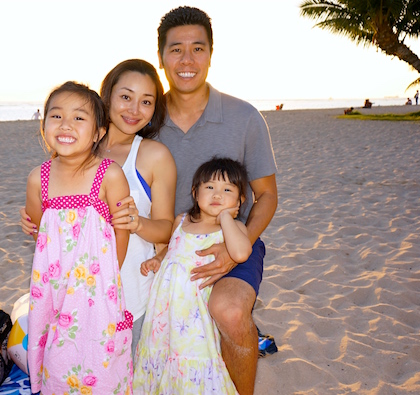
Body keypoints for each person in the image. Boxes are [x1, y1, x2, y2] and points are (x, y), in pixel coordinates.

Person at [151, 7, 278, 394]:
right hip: (166, 241)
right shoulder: (144, 117)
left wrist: (234, 248)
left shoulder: (244, 117)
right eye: (176, 50)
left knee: (229, 309)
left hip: (231, 238)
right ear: (161, 57)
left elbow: (267, 195)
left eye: (197, 48)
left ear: (210, 53)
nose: (187, 60)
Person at [20, 59, 177, 363]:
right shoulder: (75, 145)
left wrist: (136, 223)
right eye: (126, 96)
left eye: (146, 101)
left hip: (127, 288)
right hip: (68, 294)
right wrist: (34, 217)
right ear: (107, 96)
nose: (134, 109)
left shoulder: (154, 155)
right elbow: (52, 211)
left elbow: (166, 228)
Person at [24, 81, 133, 394]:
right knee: (57, 356)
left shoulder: (109, 174)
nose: (66, 125)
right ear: (43, 125)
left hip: (97, 289)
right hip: (53, 289)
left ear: (98, 132)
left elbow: (120, 231)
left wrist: (108, 280)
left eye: (79, 118)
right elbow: (39, 232)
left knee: (100, 358)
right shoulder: (38, 178)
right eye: (56, 116)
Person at [134, 157, 252, 394]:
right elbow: (172, 248)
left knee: (193, 353)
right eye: (210, 187)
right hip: (166, 308)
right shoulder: (182, 220)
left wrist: (227, 218)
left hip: (194, 310)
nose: (217, 195)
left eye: (227, 190)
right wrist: (158, 259)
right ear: (195, 192)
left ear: (240, 201)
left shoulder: (231, 229)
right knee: (162, 348)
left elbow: (240, 253)